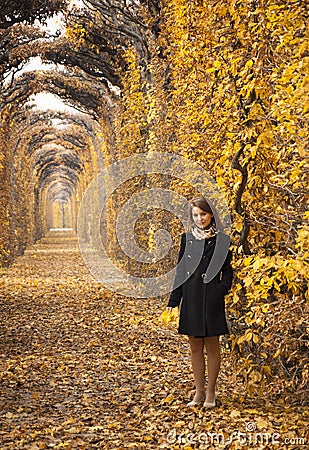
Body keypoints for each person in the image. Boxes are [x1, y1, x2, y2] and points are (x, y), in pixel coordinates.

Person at [166, 196, 233, 408]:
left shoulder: (222, 240)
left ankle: (211, 392)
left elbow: (228, 269)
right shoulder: (186, 239)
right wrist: (174, 299)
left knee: (212, 345)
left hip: (212, 297)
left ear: (211, 214)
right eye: (195, 215)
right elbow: (180, 271)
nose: (199, 218)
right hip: (192, 296)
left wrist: (222, 289)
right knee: (195, 346)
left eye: (203, 214)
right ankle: (199, 392)